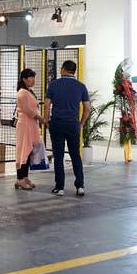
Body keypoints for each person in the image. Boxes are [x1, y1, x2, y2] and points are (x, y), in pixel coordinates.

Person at [44, 60, 91, 197]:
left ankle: (60, 187)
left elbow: (47, 105)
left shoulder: (53, 85)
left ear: (63, 69)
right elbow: (87, 108)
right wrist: (81, 123)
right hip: (73, 125)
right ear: (74, 71)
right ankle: (80, 186)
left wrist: (46, 121)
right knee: (75, 155)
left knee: (58, 156)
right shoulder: (81, 86)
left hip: (57, 124)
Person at [15, 69, 44, 190]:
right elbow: (28, 110)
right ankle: (20, 179)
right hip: (25, 125)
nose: (33, 80)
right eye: (31, 77)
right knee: (23, 151)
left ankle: (24, 177)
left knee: (28, 151)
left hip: (30, 124)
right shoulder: (23, 93)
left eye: (33, 77)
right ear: (24, 79)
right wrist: (40, 118)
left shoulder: (28, 91)